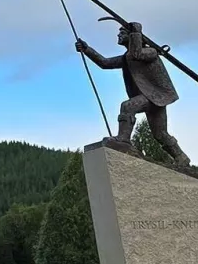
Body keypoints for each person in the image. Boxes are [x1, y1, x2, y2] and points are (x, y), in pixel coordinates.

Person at [76, 21, 188, 165]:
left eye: (122, 32)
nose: (118, 34)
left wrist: (136, 31)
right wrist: (87, 49)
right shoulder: (127, 57)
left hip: (156, 96)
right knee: (160, 134)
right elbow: (105, 63)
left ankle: (123, 140)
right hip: (152, 98)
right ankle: (181, 157)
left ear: (132, 36)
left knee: (128, 107)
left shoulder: (150, 52)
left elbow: (137, 54)